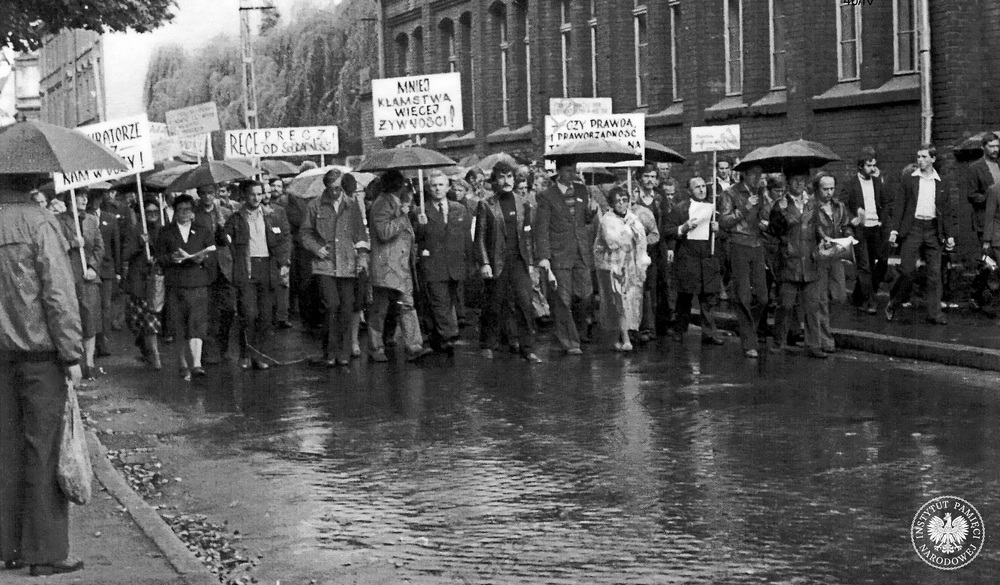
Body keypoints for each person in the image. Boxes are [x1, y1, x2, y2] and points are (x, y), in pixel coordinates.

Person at [0, 174, 85, 577]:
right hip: (39, 354)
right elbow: (57, 293)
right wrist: (73, 353)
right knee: (45, 450)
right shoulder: (40, 222)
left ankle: (8, 546)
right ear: (33, 180)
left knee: (6, 449)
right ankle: (46, 551)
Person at [299, 169, 369, 367]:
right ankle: (329, 352)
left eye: (338, 188)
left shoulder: (352, 205)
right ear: (326, 186)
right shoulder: (315, 206)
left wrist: (362, 258)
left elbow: (361, 235)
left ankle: (343, 352)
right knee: (331, 306)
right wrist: (316, 248)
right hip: (325, 264)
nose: (335, 192)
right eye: (331, 188)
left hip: (347, 264)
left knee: (347, 308)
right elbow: (305, 233)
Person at [221, 181, 290, 370]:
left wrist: (284, 263)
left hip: (267, 268)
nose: (257, 198)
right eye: (252, 194)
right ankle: (245, 353)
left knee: (266, 316)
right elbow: (224, 238)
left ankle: (260, 355)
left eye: (259, 194)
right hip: (247, 268)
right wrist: (224, 236)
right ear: (244, 195)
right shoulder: (236, 218)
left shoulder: (272, 214)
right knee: (249, 314)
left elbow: (284, 239)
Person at [475, 162, 540, 362]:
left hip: (518, 260)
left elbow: (528, 236)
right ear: (495, 181)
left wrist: (531, 263)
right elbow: (479, 237)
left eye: (510, 177)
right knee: (494, 304)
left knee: (525, 303)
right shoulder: (486, 204)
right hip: (496, 260)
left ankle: (527, 347)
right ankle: (488, 343)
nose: (506, 181)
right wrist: (484, 263)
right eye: (502, 177)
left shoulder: (523, 203)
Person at [886, 144, 955, 325]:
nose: (920, 160)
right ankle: (894, 302)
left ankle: (935, 313)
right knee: (907, 271)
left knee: (934, 274)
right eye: (918, 156)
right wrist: (894, 230)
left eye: (924, 157)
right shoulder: (909, 179)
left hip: (933, 229)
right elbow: (900, 204)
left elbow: (946, 211)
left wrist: (949, 235)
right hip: (913, 228)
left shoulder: (941, 182)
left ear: (933, 159)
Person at [368, 171, 433, 363]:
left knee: (407, 305)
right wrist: (403, 217)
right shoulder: (381, 204)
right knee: (380, 308)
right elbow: (384, 232)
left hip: (401, 265)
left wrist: (416, 220)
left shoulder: (397, 203)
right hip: (386, 265)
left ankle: (414, 346)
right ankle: (375, 347)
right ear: (399, 185)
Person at [535, 159, 597, 355]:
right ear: (559, 172)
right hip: (559, 253)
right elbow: (542, 229)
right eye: (568, 171)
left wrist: (591, 212)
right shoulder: (547, 196)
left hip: (581, 252)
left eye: (574, 171)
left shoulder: (581, 191)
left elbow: (583, 220)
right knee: (562, 299)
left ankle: (578, 332)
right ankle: (570, 342)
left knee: (585, 294)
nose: (572, 175)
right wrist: (544, 257)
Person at [155, 194, 215, 380]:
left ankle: (196, 363)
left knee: (197, 323)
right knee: (179, 324)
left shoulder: (203, 230)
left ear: (192, 211)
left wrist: (202, 258)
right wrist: (171, 258)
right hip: (176, 282)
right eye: (179, 210)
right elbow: (159, 257)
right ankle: (182, 363)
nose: (183, 213)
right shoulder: (166, 232)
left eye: (187, 209)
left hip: (197, 281)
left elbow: (212, 253)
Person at [414, 170, 473, 355]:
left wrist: (470, 262)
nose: (438, 188)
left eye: (441, 185)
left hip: (455, 263)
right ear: (428, 188)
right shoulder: (420, 211)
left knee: (449, 301)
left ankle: (436, 336)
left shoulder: (459, 209)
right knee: (440, 301)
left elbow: (466, 237)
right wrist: (420, 225)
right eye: (434, 185)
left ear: (448, 187)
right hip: (433, 263)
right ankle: (448, 335)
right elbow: (415, 238)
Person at [662, 177, 724, 345]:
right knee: (684, 297)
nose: (702, 190)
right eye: (697, 187)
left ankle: (709, 332)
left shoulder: (713, 208)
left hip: (707, 257)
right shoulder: (680, 208)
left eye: (704, 186)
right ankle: (680, 329)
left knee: (708, 297)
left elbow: (724, 232)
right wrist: (683, 228)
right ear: (689, 191)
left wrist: (718, 229)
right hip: (688, 256)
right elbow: (668, 231)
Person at [719, 163, 769, 357]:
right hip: (738, 243)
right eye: (754, 174)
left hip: (757, 244)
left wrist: (765, 222)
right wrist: (745, 208)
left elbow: (763, 217)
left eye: (760, 174)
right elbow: (725, 221)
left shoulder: (761, 193)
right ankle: (749, 342)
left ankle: (746, 326)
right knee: (742, 294)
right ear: (744, 175)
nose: (757, 178)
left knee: (763, 297)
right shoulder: (730, 194)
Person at [594, 186, 650, 352]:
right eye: (618, 201)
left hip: (631, 265)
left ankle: (625, 334)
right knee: (618, 301)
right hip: (613, 266)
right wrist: (627, 230)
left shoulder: (633, 218)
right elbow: (613, 241)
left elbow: (641, 239)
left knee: (631, 301)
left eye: (624, 200)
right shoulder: (607, 220)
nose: (621, 204)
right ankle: (624, 339)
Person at [57, 189, 104, 380]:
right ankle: (75, 359)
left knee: (90, 318)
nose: (84, 199)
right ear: (69, 199)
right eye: (79, 196)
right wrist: (71, 243)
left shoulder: (92, 220)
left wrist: (93, 267)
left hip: (88, 278)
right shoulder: (58, 221)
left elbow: (100, 247)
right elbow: (55, 246)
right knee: (71, 319)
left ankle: (90, 362)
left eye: (85, 196)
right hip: (68, 276)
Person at [844, 147, 890, 315]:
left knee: (881, 262)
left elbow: (886, 203)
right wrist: (853, 219)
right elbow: (843, 205)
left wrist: (883, 221)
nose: (872, 169)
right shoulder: (851, 184)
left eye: (874, 165)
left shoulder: (878, 182)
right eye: (869, 165)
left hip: (876, 228)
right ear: (860, 166)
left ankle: (858, 295)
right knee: (864, 266)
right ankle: (869, 301)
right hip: (860, 230)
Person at [195, 183, 235, 364]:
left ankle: (224, 345)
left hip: (224, 266)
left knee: (228, 309)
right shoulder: (195, 215)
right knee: (208, 311)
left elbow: (231, 240)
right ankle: (209, 350)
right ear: (199, 194)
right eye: (203, 193)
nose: (207, 197)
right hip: (205, 267)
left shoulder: (225, 212)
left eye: (210, 193)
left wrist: (223, 228)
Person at [813, 173, 853, 354]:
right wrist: (822, 238)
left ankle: (813, 322)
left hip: (836, 254)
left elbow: (845, 225)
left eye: (832, 188)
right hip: (820, 256)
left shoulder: (839, 206)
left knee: (839, 295)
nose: (829, 192)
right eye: (825, 189)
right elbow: (812, 228)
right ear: (817, 189)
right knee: (821, 299)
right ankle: (824, 339)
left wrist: (850, 232)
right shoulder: (811, 207)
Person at [122, 198, 164, 371]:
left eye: (155, 212)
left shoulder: (163, 230)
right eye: (149, 212)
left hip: (157, 282)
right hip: (139, 282)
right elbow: (125, 253)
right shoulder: (135, 230)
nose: (153, 215)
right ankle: (153, 354)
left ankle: (153, 353)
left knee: (152, 321)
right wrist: (140, 242)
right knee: (145, 322)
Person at [89, 189, 122, 359]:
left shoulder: (109, 218)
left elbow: (115, 245)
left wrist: (118, 271)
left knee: (105, 306)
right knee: (91, 306)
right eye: (91, 197)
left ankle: (104, 341)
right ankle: (92, 342)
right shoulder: (83, 217)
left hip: (107, 268)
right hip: (89, 267)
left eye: (97, 197)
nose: (94, 200)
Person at [965, 133, 1000, 245]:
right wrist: (989, 198)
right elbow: (972, 195)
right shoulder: (975, 168)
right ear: (983, 148)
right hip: (986, 219)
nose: (995, 149)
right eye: (991, 146)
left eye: (997, 146)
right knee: (989, 258)